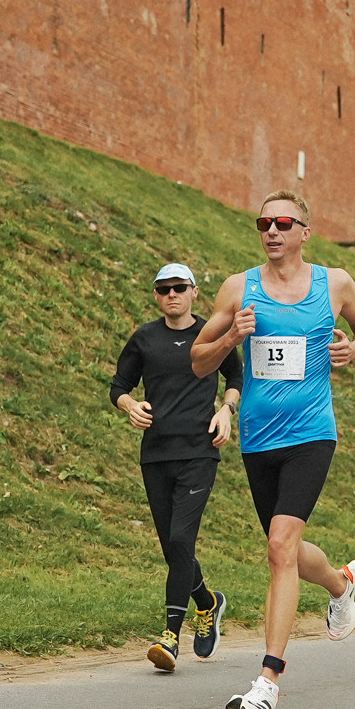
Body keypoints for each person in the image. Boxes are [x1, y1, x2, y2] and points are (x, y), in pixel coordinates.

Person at [192, 189, 355, 709]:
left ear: (304, 231)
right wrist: (233, 333)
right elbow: (199, 363)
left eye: (282, 223)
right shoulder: (239, 288)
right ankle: (342, 584)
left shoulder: (334, 283)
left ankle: (266, 684)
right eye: (263, 223)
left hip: (311, 433)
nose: (271, 231)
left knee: (279, 545)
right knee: (288, 551)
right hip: (259, 438)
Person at [110, 262, 242, 673]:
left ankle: (170, 636)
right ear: (156, 295)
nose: (172, 295)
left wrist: (226, 409)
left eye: (179, 287)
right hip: (156, 454)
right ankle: (208, 601)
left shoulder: (212, 334)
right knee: (173, 545)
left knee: (182, 536)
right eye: (164, 289)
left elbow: (237, 376)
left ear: (193, 292)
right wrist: (131, 406)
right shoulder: (145, 339)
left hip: (200, 451)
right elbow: (119, 386)